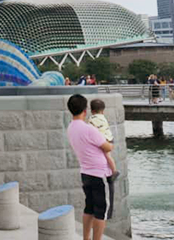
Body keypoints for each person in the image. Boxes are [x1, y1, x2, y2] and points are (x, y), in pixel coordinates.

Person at [67, 94, 114, 240]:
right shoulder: (89, 130)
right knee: (101, 210)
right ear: (85, 110)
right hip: (99, 174)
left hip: (85, 173)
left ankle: (86, 238)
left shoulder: (70, 128)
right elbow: (108, 147)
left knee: (89, 207)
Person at [88, 99, 118, 180]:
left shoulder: (92, 119)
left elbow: (90, 129)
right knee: (108, 155)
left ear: (92, 110)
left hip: (104, 140)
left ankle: (114, 171)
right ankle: (112, 170)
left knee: (107, 155)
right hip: (110, 138)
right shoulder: (103, 117)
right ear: (103, 110)